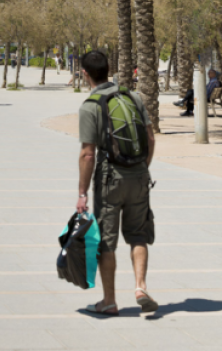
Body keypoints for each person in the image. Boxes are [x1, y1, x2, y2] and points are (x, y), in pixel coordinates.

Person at [76, 49, 158, 316]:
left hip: (110, 179)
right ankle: (140, 286)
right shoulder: (133, 96)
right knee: (138, 235)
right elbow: (151, 138)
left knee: (106, 242)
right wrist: (141, 170)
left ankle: (109, 300)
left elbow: (88, 153)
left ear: (84, 73)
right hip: (139, 176)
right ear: (108, 69)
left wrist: (82, 192)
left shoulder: (90, 106)